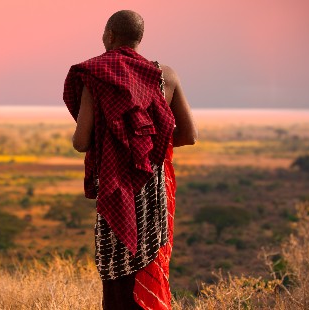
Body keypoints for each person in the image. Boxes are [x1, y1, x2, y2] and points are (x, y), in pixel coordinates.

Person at [62, 10, 197, 310]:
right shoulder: (166, 76)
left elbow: (81, 141)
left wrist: (118, 146)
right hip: (152, 192)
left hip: (116, 190)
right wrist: (145, 145)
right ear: (139, 39)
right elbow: (189, 135)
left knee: (117, 279)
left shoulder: (96, 75)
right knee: (147, 264)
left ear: (109, 35)